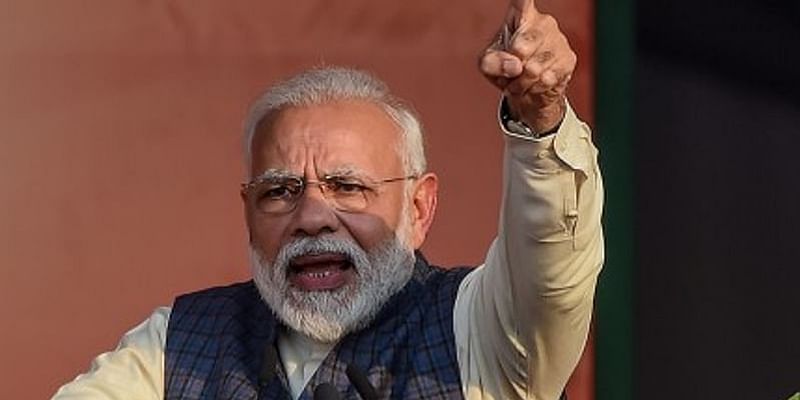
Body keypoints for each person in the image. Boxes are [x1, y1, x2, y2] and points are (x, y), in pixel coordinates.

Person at [53, 0, 603, 398]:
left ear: (418, 209)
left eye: (348, 186)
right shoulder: (178, 344)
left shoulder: (479, 332)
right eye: (279, 191)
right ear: (246, 212)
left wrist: (541, 119)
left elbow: (552, 269)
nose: (312, 217)